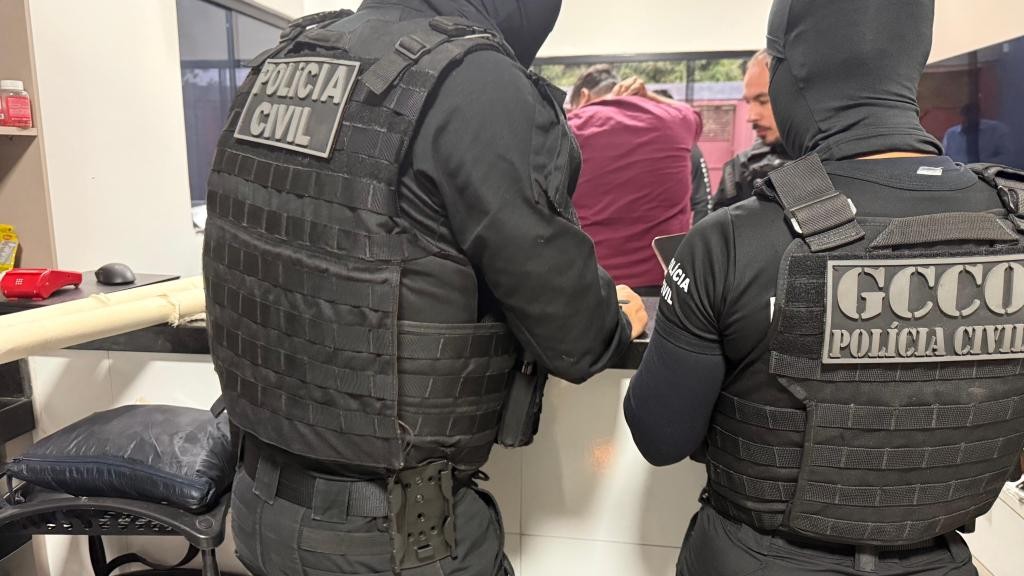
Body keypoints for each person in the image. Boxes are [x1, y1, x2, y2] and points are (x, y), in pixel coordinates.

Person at [201, 1, 648, 575]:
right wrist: (616, 319)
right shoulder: (476, 82)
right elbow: (575, 336)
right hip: (392, 536)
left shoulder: (284, 59)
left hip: (258, 507)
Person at [625, 1, 1024, 575]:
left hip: (758, 561)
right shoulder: (1015, 223)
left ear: (792, 72)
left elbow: (660, 435)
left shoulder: (734, 239)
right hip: (942, 559)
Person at [568, 66, 703, 292]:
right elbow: (694, 115)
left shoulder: (570, 128)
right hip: (666, 285)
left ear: (583, 96)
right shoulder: (676, 120)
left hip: (594, 285)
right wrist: (649, 96)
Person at [712, 49, 793, 211]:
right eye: (749, 102)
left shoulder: (833, 162)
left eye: (763, 101)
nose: (751, 116)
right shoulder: (738, 169)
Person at [943, 103, 1015, 165]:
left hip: (987, 172)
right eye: (965, 115)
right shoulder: (951, 134)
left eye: (971, 115)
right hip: (958, 173)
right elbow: (944, 157)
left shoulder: (996, 130)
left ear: (979, 115)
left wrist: (982, 165)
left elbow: (1008, 157)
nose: (968, 119)